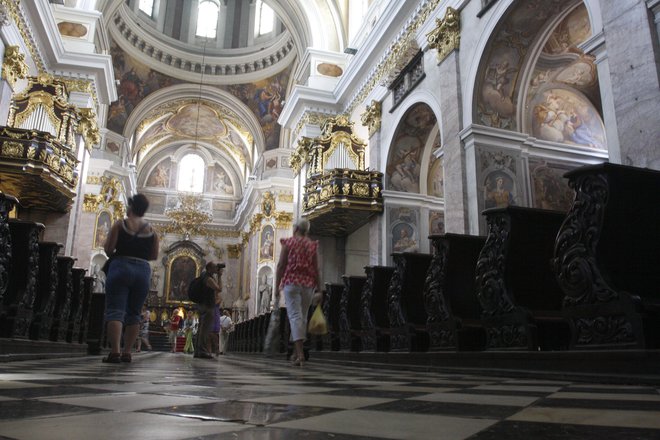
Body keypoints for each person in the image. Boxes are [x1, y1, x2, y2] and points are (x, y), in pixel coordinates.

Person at [102, 193, 159, 363]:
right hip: (142, 270)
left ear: (131, 207)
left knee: (115, 310)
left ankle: (115, 352)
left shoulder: (121, 224)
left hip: (120, 266)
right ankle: (127, 352)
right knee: (134, 313)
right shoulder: (152, 231)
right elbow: (154, 255)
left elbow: (108, 249)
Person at [275, 218, 322, 367]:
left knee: (295, 317)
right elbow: (316, 268)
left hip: (291, 283)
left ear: (295, 229)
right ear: (306, 230)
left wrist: (276, 286)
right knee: (302, 317)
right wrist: (320, 288)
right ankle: (296, 353)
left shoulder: (289, 243)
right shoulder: (311, 245)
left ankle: (300, 354)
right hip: (308, 284)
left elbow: (281, 265)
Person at [194, 262, 224, 359]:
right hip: (207, 306)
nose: (217, 268)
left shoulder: (205, 276)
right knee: (205, 329)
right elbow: (219, 289)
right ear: (210, 268)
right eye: (215, 267)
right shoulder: (208, 278)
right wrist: (219, 276)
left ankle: (198, 351)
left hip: (204, 305)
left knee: (202, 328)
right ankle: (202, 351)